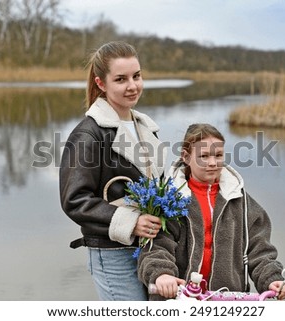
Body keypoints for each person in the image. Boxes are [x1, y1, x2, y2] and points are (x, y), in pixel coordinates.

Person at [137, 123, 285, 300]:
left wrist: (272, 279)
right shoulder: (168, 200)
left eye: (218, 155)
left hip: (228, 300)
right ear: (186, 157)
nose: (213, 163)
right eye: (203, 156)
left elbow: (260, 251)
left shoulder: (241, 201)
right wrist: (161, 274)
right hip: (179, 299)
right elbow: (157, 246)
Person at [59, 41, 165, 301]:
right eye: (121, 79)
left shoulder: (144, 127)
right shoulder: (89, 133)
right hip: (112, 252)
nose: (132, 86)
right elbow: (74, 199)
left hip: (153, 251)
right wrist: (132, 222)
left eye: (136, 76)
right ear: (101, 83)